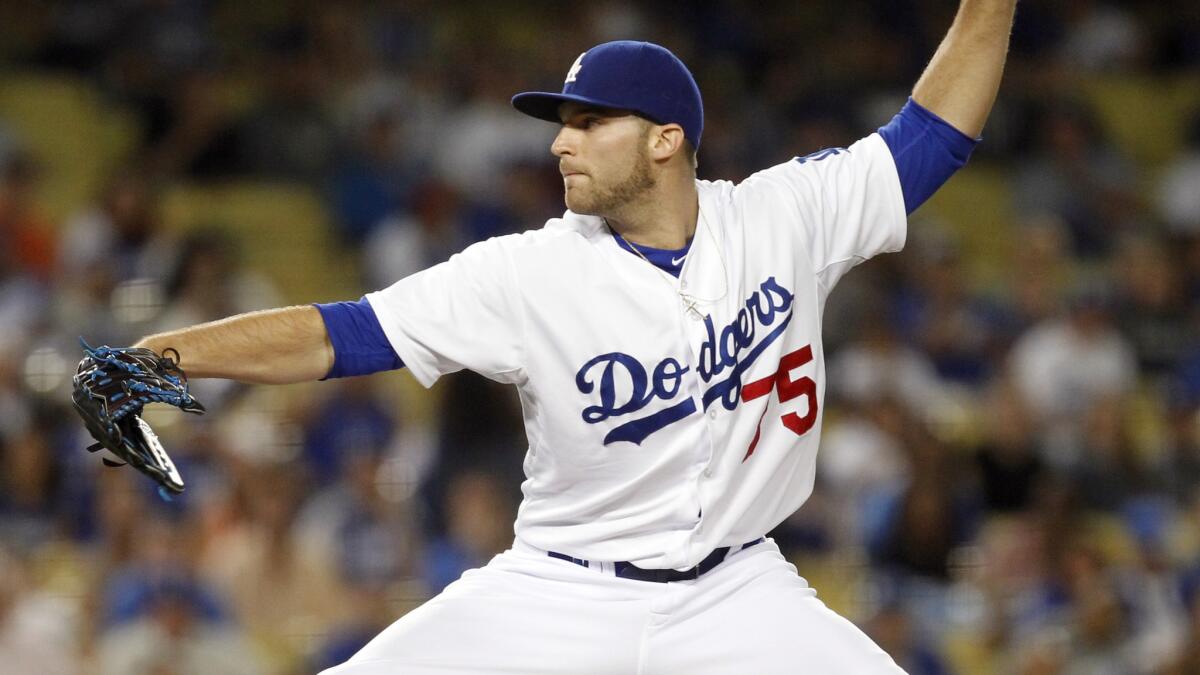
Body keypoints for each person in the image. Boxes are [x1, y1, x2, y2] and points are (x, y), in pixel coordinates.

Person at [121, 1, 1016, 671]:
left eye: (591, 123)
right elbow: (343, 335)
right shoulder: (526, 272)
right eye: (563, 124)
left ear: (667, 140)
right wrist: (156, 355)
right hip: (559, 590)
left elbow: (934, 135)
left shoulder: (787, 216)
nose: (563, 143)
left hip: (742, 590)